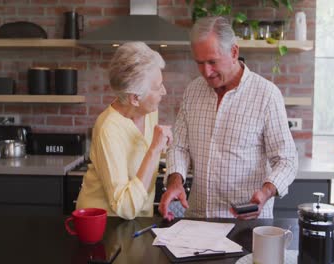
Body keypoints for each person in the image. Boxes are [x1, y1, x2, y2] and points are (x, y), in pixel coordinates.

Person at [159, 16, 298, 220]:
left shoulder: (266, 95)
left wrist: (266, 192)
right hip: (198, 221)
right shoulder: (193, 91)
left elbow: (287, 160)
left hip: (245, 224)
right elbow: (179, 146)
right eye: (200, 63)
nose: (206, 72)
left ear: (234, 52)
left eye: (212, 62)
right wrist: (174, 181)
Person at [76, 42, 172, 220]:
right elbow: (125, 207)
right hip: (106, 224)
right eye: (158, 87)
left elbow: (142, 162)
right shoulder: (108, 129)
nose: (164, 91)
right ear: (135, 98)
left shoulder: (149, 111)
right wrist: (154, 149)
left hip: (141, 219)